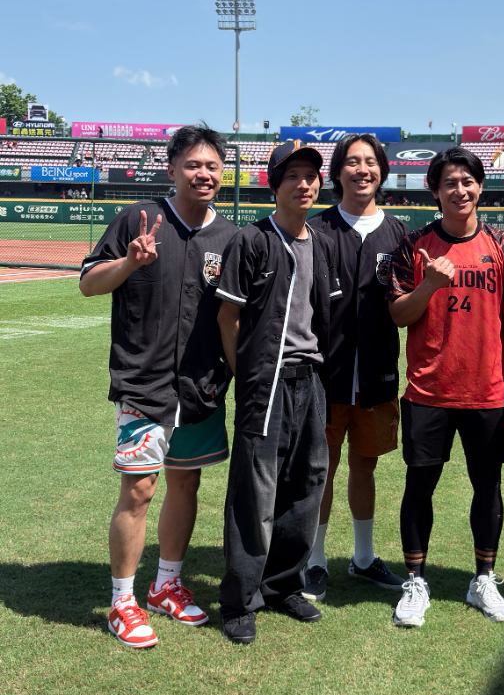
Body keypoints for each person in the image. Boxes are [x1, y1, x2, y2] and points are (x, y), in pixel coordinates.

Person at [79, 124, 238, 649]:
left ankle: (165, 585)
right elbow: (88, 284)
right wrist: (129, 262)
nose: (203, 174)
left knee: (185, 484)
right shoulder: (138, 218)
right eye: (193, 165)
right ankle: (122, 601)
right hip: (144, 385)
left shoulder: (229, 237)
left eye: (212, 165)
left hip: (201, 388)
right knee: (139, 489)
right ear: (172, 170)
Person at [386, 147, 504, 627]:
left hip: (488, 391)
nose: (460, 190)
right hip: (428, 390)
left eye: (468, 181)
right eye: (450, 182)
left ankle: (483, 579)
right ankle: (415, 582)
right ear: (435, 190)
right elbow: (399, 315)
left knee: (488, 485)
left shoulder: (503, 245)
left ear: (480, 186)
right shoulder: (414, 246)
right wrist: (429, 284)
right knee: (419, 484)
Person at [216, 142, 341, 645]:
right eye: (293, 175)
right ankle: (240, 600)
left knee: (306, 482)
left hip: (310, 379)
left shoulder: (322, 243)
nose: (304, 184)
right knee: (255, 489)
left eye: (311, 175)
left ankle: (283, 585)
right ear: (274, 185)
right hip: (264, 382)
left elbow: (324, 318)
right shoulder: (252, 239)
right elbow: (228, 317)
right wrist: (247, 374)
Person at [304, 134, 407, 601]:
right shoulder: (315, 229)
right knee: (320, 470)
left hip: (378, 376)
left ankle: (363, 558)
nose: (362, 169)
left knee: (365, 467)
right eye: (352, 161)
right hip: (324, 378)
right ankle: (315, 560)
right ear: (337, 172)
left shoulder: (400, 233)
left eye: (370, 161)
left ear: (382, 170)